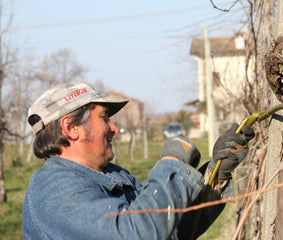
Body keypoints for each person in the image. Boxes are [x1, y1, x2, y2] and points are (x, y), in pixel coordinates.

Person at [22, 82, 255, 240]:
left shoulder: (112, 175)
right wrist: (172, 164)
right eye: (104, 118)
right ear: (71, 128)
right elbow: (137, 234)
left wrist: (215, 175)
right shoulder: (54, 190)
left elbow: (167, 226)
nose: (114, 128)